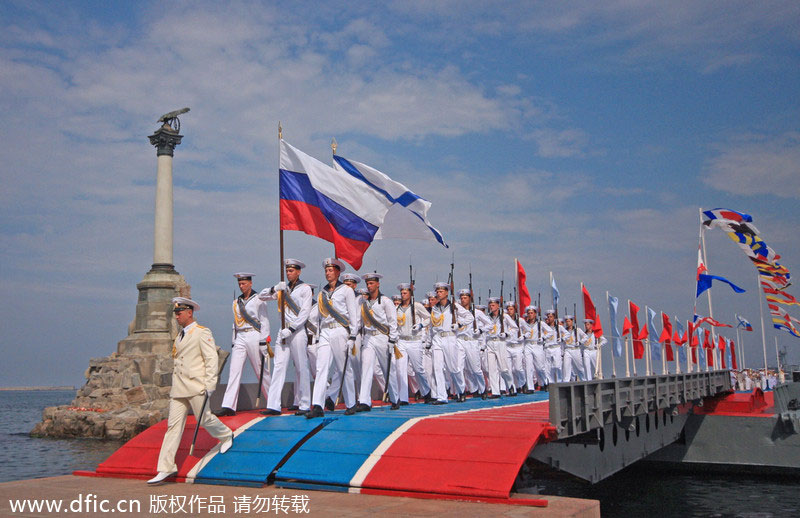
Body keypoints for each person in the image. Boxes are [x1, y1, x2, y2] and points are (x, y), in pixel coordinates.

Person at [148, 298, 233, 485]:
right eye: (176, 314)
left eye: (180, 313)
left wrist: (210, 384)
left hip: (196, 385)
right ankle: (165, 468)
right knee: (173, 427)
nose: (177, 317)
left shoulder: (202, 332)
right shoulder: (180, 335)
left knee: (204, 419)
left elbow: (211, 359)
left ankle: (226, 435)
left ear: (189, 313)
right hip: (179, 387)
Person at [258, 259, 313, 416]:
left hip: (297, 331)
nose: (288, 273)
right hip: (282, 331)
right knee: (279, 366)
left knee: (301, 367)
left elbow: (305, 312)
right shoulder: (283, 289)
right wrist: (274, 288)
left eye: (291, 271)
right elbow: (261, 296)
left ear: (298, 272)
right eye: (287, 271)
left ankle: (304, 404)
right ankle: (273, 405)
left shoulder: (305, 289)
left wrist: (292, 328)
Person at [214, 273, 270, 417]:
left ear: (250, 283)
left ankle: (273, 401)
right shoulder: (236, 302)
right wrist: (233, 340)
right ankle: (229, 405)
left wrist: (263, 340)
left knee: (260, 369)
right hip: (240, 336)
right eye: (239, 284)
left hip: (254, 334)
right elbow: (235, 323)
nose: (241, 286)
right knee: (234, 370)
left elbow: (264, 321)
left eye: (244, 283)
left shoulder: (259, 299)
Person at [310, 258, 359, 418]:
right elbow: (318, 316)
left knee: (344, 367)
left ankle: (351, 403)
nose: (328, 273)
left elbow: (353, 314)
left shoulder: (346, 290)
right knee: (321, 367)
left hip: (340, 330)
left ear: (338, 272)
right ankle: (318, 405)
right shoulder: (322, 293)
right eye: (326, 270)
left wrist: (352, 336)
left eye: (331, 270)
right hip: (325, 331)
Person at [356, 273, 399, 411]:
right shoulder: (364, 303)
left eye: (371, 283)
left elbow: (392, 321)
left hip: (382, 337)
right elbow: (359, 321)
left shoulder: (386, 301)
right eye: (367, 284)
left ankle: (395, 397)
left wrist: (392, 339)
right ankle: (364, 401)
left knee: (387, 369)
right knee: (366, 367)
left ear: (378, 284)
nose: (369, 286)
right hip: (368, 337)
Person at [430, 282, 473, 403]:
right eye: (437, 292)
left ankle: (461, 390)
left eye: (441, 291)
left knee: (453, 368)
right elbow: (433, 324)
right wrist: (429, 341)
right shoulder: (435, 308)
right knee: (437, 368)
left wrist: (459, 324)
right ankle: (442, 396)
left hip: (450, 338)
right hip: (437, 338)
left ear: (447, 293)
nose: (438, 294)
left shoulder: (454, 306)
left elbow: (470, 317)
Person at [393, 282, 431, 406]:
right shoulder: (397, 309)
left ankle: (426, 392)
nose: (403, 295)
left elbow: (429, 318)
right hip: (402, 341)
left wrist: (420, 325)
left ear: (410, 293)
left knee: (418, 369)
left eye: (405, 293)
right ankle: (403, 398)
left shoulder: (417, 306)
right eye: (402, 293)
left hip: (415, 340)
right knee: (400, 369)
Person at [481, 296, 517, 398]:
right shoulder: (487, 318)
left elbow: (515, 328)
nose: (491, 307)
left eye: (493, 305)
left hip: (500, 342)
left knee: (503, 368)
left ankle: (511, 385)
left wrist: (507, 334)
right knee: (491, 369)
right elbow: (484, 331)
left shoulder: (504, 316)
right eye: (490, 305)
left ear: (498, 306)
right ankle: (495, 391)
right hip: (490, 342)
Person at [458, 288, 486, 397]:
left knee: (475, 369)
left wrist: (480, 330)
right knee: (460, 368)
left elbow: (489, 324)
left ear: (470, 299)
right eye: (461, 298)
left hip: (472, 341)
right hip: (460, 341)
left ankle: (482, 389)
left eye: (465, 298)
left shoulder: (477, 313)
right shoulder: (457, 312)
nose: (463, 300)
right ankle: (467, 390)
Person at [520, 305, 546, 391]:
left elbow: (550, 332)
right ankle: (530, 387)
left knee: (540, 367)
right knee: (528, 367)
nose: (530, 315)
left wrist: (543, 338)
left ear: (535, 314)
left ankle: (545, 382)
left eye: (532, 313)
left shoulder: (540, 323)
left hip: (537, 345)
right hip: (527, 345)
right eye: (528, 313)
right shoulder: (524, 324)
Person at [562, 315, 585, 382]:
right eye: (566, 321)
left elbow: (585, 337)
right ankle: (566, 381)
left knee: (579, 368)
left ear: (572, 321)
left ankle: (583, 380)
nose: (567, 323)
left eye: (569, 321)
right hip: (567, 350)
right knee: (566, 367)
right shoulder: (564, 331)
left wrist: (580, 342)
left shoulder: (577, 330)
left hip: (576, 349)